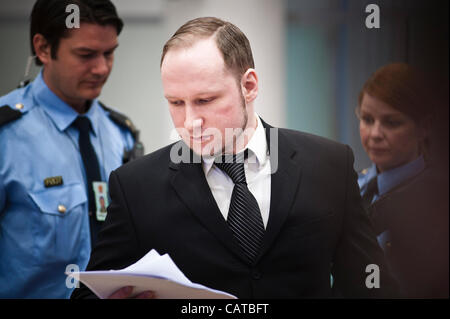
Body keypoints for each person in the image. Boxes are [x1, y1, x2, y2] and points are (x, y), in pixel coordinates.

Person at [72, 17, 397, 299]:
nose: (189, 122)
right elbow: (89, 293)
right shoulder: (136, 187)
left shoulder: (329, 165)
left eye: (205, 100)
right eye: (175, 102)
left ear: (249, 85)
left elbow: (369, 285)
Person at [0, 0, 144, 298]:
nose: (102, 68)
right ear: (43, 49)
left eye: (109, 53)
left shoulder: (122, 134)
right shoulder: (6, 136)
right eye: (86, 54)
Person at [356, 63, 449, 298]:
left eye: (391, 122)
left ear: (424, 127)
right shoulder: (354, 185)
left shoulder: (437, 203)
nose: (375, 134)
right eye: (367, 119)